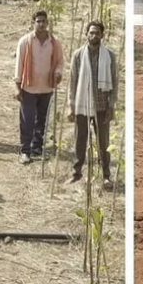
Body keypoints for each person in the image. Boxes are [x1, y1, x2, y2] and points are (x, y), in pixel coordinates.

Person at [67, 21, 118, 188]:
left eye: (97, 33)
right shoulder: (78, 55)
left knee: (103, 142)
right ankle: (76, 173)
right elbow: (73, 82)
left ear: (102, 35)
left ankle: (106, 176)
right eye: (91, 32)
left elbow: (115, 83)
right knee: (80, 140)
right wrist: (71, 105)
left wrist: (111, 106)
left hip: (102, 106)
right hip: (82, 105)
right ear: (86, 34)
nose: (94, 35)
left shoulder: (109, 55)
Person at [14, 10, 64, 164]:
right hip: (28, 87)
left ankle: (37, 147)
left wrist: (57, 73)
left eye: (44, 21)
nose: (41, 24)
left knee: (41, 120)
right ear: (33, 23)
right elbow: (19, 65)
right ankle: (25, 151)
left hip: (46, 88)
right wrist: (17, 87)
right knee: (27, 120)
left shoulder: (54, 43)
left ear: (47, 23)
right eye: (38, 21)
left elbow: (60, 62)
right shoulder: (25, 42)